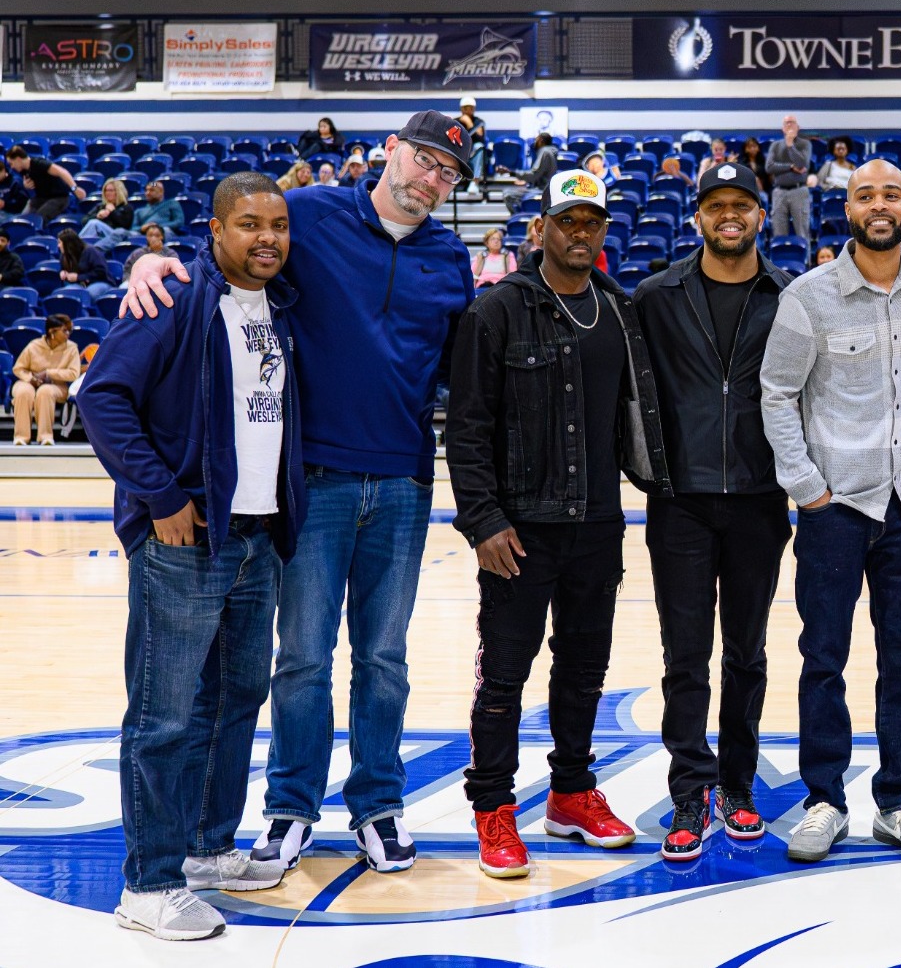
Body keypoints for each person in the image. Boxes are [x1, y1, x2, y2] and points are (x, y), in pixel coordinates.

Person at [125, 110, 477, 876]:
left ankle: (378, 805)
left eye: (447, 173)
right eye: (423, 160)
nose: (430, 180)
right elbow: (229, 254)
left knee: (384, 658)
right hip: (310, 478)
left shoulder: (451, 257)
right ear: (390, 151)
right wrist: (150, 264)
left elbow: (460, 369)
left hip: (404, 480)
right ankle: (290, 808)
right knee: (304, 658)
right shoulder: (310, 217)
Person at [80, 172, 304, 941]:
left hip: (256, 536)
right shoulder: (173, 298)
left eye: (277, 223)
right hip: (186, 538)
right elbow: (100, 394)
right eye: (248, 224)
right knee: (163, 715)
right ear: (214, 232)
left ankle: (207, 848)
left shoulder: (281, 306)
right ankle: (147, 883)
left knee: (235, 702)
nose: (267, 237)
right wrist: (160, 497)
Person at [447, 168, 670, 878]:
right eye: (566, 221)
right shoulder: (498, 311)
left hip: (599, 525)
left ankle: (572, 792)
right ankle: (493, 806)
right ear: (536, 229)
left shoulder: (618, 308)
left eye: (591, 222)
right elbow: (468, 428)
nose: (580, 233)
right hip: (519, 528)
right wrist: (483, 520)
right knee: (505, 676)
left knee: (583, 669)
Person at [760, 159, 901, 865]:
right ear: (845, 208)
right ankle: (824, 799)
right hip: (833, 504)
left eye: (891, 193)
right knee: (824, 656)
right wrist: (806, 485)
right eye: (865, 195)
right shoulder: (809, 296)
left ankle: (899, 801)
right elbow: (776, 393)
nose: (879, 205)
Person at [631, 161, 796, 861]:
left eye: (742, 204)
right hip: (682, 504)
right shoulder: (654, 295)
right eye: (716, 205)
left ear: (761, 214)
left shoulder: (791, 296)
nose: (729, 215)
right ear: (697, 216)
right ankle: (689, 793)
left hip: (762, 501)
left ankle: (738, 784)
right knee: (686, 656)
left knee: (748, 654)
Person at [10, 313, 81, 445]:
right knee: (23, 392)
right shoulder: (34, 345)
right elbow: (18, 368)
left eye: (69, 330)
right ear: (52, 331)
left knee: (45, 391)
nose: (68, 334)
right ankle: (21, 437)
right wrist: (31, 378)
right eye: (65, 330)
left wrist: (49, 373)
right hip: (29, 381)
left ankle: (45, 436)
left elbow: (73, 373)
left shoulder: (72, 348)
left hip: (57, 385)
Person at [5, 146, 84, 221]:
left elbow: (62, 172)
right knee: (23, 221)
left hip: (59, 198)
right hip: (41, 198)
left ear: (18, 159)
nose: (11, 167)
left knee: (38, 219)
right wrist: (26, 185)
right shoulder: (23, 170)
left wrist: (75, 188)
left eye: (11, 163)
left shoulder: (39, 164)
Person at [766, 116, 812, 243]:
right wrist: (790, 166)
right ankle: (779, 262)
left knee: (802, 231)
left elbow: (802, 164)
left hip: (799, 190)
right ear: (782, 128)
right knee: (779, 232)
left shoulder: (805, 144)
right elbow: (769, 167)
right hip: (779, 192)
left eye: (792, 123)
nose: (790, 125)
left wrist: (790, 145)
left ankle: (805, 263)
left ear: (798, 127)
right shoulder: (775, 146)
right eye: (787, 123)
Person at [507, 133, 559, 213]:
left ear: (541, 140)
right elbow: (541, 174)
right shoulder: (551, 151)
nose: (535, 142)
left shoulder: (545, 152)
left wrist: (512, 173)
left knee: (508, 194)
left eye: (536, 140)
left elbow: (534, 174)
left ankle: (522, 217)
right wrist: (526, 181)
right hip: (545, 188)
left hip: (541, 190)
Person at [80, 178, 135, 251]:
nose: (107, 193)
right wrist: (97, 216)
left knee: (94, 223)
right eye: (106, 190)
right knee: (93, 223)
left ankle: (77, 246)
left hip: (117, 236)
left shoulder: (126, 207)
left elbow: (125, 225)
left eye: (111, 190)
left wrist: (112, 212)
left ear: (119, 192)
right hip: (101, 235)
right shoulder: (100, 206)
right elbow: (84, 221)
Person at [59, 229, 111, 295]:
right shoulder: (64, 256)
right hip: (79, 284)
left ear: (67, 244)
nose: (58, 245)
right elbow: (64, 269)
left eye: (60, 242)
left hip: (100, 282)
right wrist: (63, 272)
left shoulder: (90, 251)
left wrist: (79, 277)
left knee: (88, 294)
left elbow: (101, 272)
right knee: (68, 293)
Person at [457, 96, 488, 192]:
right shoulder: (455, 122)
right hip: (460, 150)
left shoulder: (479, 122)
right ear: (461, 109)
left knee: (479, 146)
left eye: (470, 107)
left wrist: (469, 123)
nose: (468, 110)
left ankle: (474, 181)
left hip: (473, 153)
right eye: (465, 108)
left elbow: (480, 138)